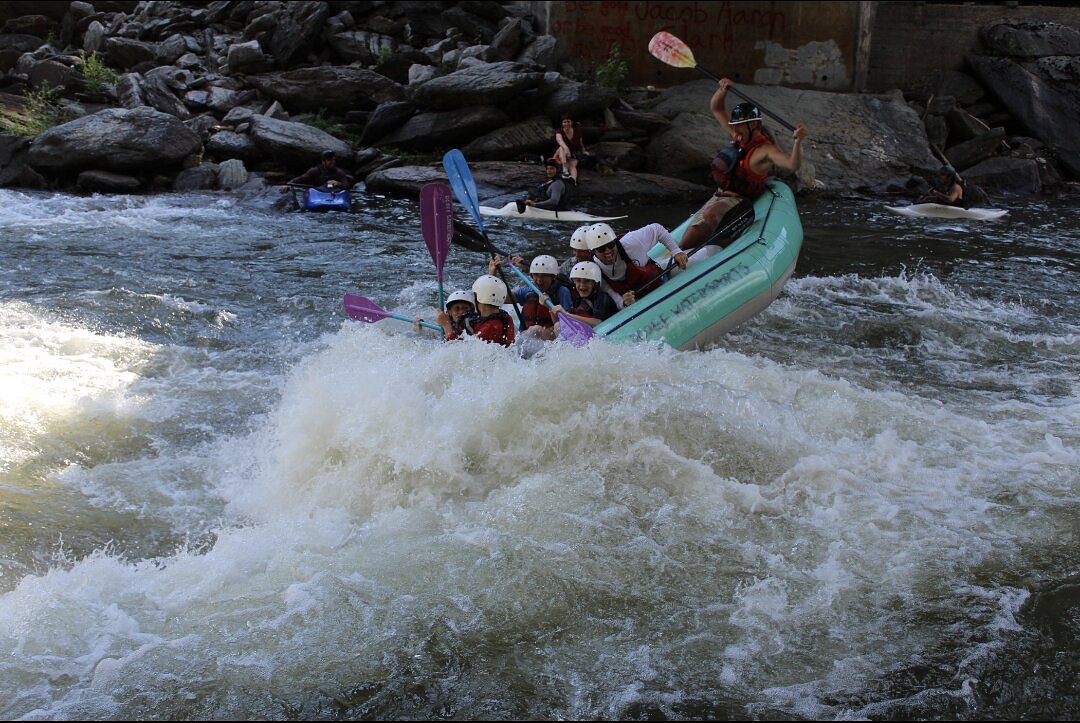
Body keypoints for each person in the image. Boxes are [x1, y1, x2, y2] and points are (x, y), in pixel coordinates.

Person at [678, 79, 808, 251]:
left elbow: (793, 165)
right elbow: (717, 109)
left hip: (737, 201)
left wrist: (798, 142)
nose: (735, 129)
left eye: (739, 125)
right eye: (734, 125)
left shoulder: (765, 150)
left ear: (753, 124)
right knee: (696, 226)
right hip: (719, 195)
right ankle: (677, 254)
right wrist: (722, 90)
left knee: (707, 217)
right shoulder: (739, 136)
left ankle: (676, 259)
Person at [586, 222, 688, 309]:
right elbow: (609, 291)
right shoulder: (595, 269)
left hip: (659, 284)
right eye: (601, 249)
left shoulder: (631, 242)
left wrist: (676, 251)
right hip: (635, 303)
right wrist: (622, 302)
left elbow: (657, 229)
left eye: (611, 245)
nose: (608, 251)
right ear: (593, 251)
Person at [489, 254, 573, 341]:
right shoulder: (529, 291)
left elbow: (565, 325)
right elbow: (499, 299)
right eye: (536, 275)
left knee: (536, 330)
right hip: (527, 337)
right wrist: (492, 274)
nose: (539, 280)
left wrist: (550, 308)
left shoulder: (562, 292)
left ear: (553, 277)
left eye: (544, 275)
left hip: (551, 339)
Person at [549, 261, 618, 327]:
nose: (582, 285)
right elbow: (563, 325)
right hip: (589, 335)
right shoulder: (578, 300)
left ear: (594, 283)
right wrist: (552, 310)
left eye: (587, 281)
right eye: (578, 281)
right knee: (555, 326)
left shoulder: (601, 297)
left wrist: (566, 314)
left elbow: (597, 323)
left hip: (607, 333)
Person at [452, 275, 515, 346]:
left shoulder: (490, 328)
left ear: (478, 298)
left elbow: (460, 351)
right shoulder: (503, 317)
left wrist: (446, 326)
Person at [279, 149, 354, 192]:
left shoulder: (338, 172)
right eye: (329, 160)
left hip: (333, 192)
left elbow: (346, 186)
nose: (332, 162)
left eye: (333, 160)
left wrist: (338, 183)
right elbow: (301, 179)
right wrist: (288, 184)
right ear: (323, 161)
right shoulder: (315, 171)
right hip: (318, 192)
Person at [553, 114, 591, 184]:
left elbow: (581, 143)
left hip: (571, 154)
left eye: (568, 122)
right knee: (562, 147)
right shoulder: (559, 132)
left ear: (571, 122)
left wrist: (584, 151)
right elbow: (560, 141)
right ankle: (565, 170)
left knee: (573, 166)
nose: (566, 124)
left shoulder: (577, 132)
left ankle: (573, 180)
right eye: (564, 122)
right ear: (562, 123)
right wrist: (566, 148)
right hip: (559, 155)